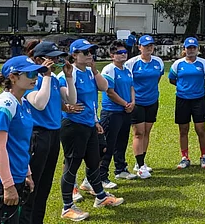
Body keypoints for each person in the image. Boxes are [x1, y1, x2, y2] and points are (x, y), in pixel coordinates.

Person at [58, 39, 124, 221]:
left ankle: (100, 197)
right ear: (74, 55)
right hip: (73, 125)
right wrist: (66, 107)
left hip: (89, 124)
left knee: (94, 161)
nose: (90, 55)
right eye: (85, 52)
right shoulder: (66, 74)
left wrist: (95, 70)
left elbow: (104, 87)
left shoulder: (88, 72)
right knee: (72, 164)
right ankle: (67, 206)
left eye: (91, 52)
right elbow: (61, 98)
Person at [0, 56, 47, 224]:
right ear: (13, 77)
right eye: (29, 74)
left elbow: (20, 144)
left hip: (16, 175)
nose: (35, 78)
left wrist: (27, 173)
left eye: (36, 74)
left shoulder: (22, 102)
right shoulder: (4, 105)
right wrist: (8, 186)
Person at [20, 41, 76, 224]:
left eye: (57, 58)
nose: (56, 61)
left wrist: (69, 77)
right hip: (38, 134)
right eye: (51, 58)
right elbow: (40, 103)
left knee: (45, 184)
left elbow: (71, 100)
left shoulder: (54, 80)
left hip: (53, 134)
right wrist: (45, 76)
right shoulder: (32, 79)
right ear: (39, 60)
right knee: (33, 184)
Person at [168, 37, 205, 169]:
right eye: (189, 48)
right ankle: (184, 157)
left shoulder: (203, 63)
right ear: (184, 49)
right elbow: (172, 79)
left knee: (200, 129)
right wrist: (183, 87)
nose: (191, 50)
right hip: (182, 99)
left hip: (199, 99)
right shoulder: (178, 64)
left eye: (193, 48)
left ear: (197, 49)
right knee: (183, 129)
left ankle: (204, 156)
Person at [125, 34, 164, 178]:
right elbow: (128, 82)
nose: (149, 48)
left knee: (147, 131)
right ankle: (140, 165)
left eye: (151, 45)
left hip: (152, 101)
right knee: (139, 133)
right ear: (139, 47)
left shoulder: (158, 62)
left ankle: (141, 161)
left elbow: (157, 78)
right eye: (146, 45)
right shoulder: (132, 63)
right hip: (137, 102)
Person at [99, 40, 137, 183]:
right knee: (108, 145)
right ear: (112, 55)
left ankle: (120, 169)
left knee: (122, 142)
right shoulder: (109, 70)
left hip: (125, 111)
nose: (123, 55)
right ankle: (101, 175)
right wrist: (125, 103)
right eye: (119, 53)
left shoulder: (127, 69)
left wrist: (132, 102)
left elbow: (131, 87)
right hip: (112, 112)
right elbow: (109, 92)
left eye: (125, 52)